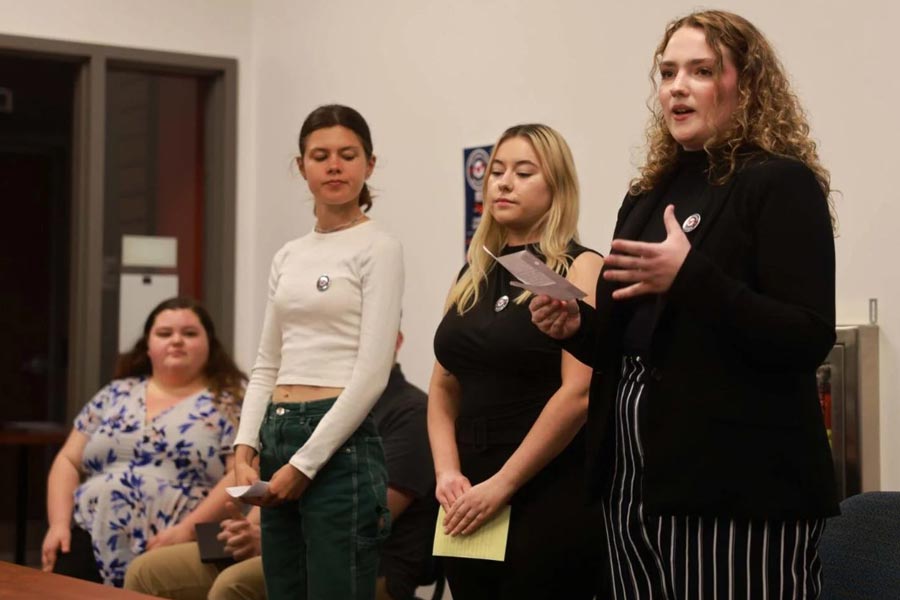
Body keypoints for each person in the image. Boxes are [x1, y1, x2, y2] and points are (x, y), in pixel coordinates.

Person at [530, 10, 838, 599]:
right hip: (635, 485)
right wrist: (576, 326)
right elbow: (636, 341)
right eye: (667, 71)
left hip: (739, 491)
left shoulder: (779, 183)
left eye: (700, 70)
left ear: (745, 85)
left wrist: (691, 276)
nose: (677, 86)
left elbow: (806, 335)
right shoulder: (648, 194)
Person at [232, 104, 404, 600]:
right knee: (283, 589)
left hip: (337, 442)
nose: (334, 166)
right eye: (321, 155)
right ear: (301, 166)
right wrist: (246, 445)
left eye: (347, 155)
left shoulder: (378, 247)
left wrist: (304, 465)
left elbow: (372, 376)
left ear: (369, 165)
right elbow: (267, 362)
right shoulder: (289, 254)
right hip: (278, 429)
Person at [124, 333, 438, 600]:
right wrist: (252, 528)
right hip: (284, 533)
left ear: (391, 341)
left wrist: (264, 539)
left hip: (367, 558)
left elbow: (370, 517)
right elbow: (279, 477)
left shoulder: (409, 411)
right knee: (147, 571)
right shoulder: (312, 399)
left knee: (233, 586)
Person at [429, 123, 604, 599]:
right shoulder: (472, 272)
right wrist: (447, 473)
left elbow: (579, 392)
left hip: (545, 486)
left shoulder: (577, 265)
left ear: (557, 187)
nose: (503, 182)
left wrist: (502, 485)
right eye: (497, 171)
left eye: (524, 172)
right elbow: (444, 387)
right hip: (468, 492)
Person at [41, 296, 246, 587]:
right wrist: (58, 524)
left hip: (174, 542)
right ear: (148, 346)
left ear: (209, 344)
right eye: (164, 334)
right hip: (89, 532)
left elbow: (239, 474)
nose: (176, 341)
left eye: (189, 333)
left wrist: (187, 530)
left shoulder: (229, 402)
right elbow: (67, 460)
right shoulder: (115, 393)